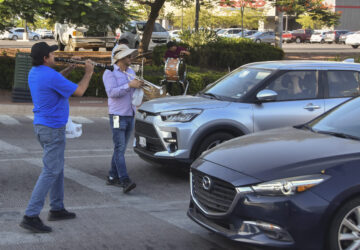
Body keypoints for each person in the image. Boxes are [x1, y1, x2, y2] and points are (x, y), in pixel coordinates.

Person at [20, 42, 94, 233]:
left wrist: (70, 67)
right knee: (51, 171)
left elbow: (56, 80)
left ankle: (57, 208)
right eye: (52, 54)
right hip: (52, 129)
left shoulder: (36, 72)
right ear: (45, 58)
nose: (55, 56)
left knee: (56, 168)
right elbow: (79, 91)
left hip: (42, 127)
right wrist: (88, 72)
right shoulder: (49, 75)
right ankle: (30, 215)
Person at [103, 44, 143, 194]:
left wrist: (138, 85)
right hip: (117, 116)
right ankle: (124, 180)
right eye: (127, 56)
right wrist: (129, 85)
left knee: (120, 148)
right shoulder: (110, 73)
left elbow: (132, 91)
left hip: (130, 114)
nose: (130, 58)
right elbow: (112, 93)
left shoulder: (131, 71)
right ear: (120, 58)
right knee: (119, 148)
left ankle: (113, 176)